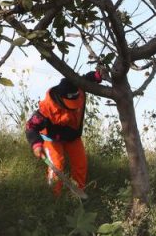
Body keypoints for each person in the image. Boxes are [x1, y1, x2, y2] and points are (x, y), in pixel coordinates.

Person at [24, 69, 104, 197]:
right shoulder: (47, 108)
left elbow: (86, 78)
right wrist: (36, 144)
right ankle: (54, 197)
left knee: (81, 164)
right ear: (61, 99)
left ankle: (78, 194)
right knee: (57, 165)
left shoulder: (78, 88)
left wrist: (97, 76)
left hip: (72, 136)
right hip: (51, 137)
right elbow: (30, 126)